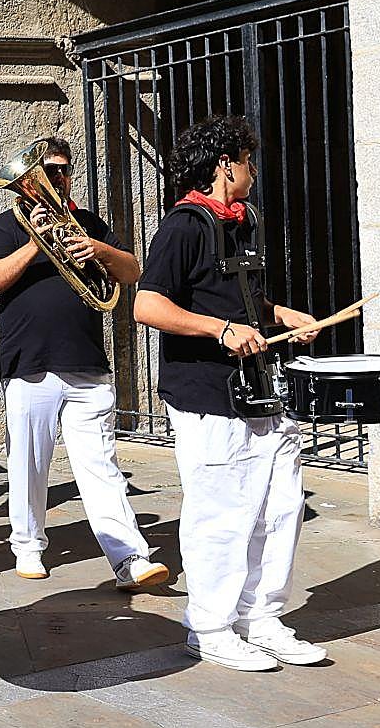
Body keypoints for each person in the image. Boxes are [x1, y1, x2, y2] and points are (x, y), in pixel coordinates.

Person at [132, 116, 322, 673]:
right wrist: (219, 331)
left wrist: (282, 315)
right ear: (224, 166)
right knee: (221, 513)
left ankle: (260, 616)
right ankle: (210, 626)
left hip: (259, 389)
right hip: (206, 394)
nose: (253, 170)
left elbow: (242, 302)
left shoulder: (243, 225)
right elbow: (149, 306)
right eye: (246, 159)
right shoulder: (181, 227)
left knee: (278, 507)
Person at [0, 142, 170, 591]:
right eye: (48, 171)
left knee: (101, 465)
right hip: (30, 363)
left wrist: (97, 249)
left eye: (63, 171)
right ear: (28, 178)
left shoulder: (88, 224)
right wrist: (34, 244)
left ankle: (129, 558)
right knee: (29, 462)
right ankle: (27, 544)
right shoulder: (7, 226)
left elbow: (131, 270)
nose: (58, 179)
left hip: (86, 363)